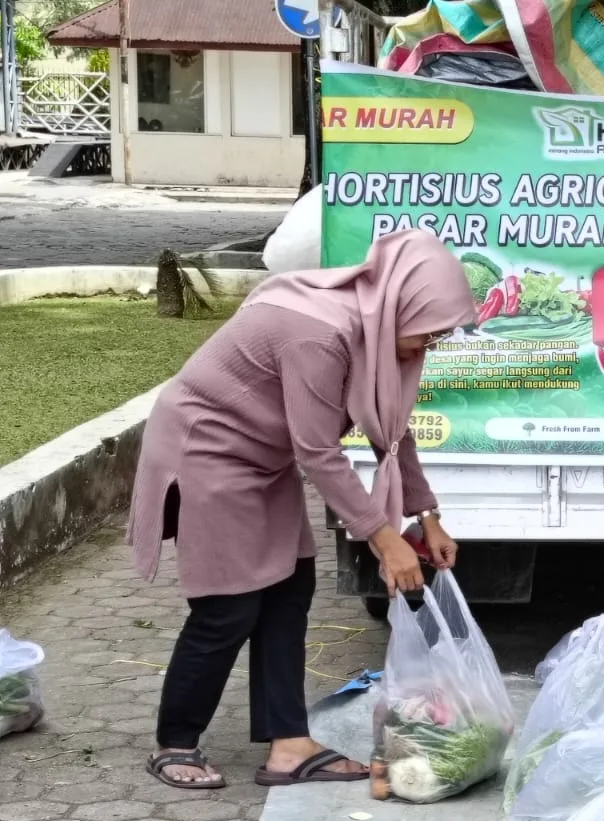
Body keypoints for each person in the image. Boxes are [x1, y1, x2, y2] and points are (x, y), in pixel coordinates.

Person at [129, 229, 478, 790]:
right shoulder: (319, 332)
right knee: (230, 606)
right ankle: (176, 743)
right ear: (399, 303)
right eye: (430, 328)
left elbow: (392, 427)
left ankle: (289, 746)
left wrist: (425, 514)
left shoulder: (372, 329)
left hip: (264, 457)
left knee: (289, 590)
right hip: (210, 451)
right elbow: (317, 450)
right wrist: (382, 538)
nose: (434, 342)